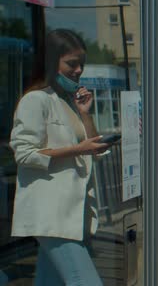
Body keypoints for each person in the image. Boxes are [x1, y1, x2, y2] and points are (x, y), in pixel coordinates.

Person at [10, 29, 109, 285]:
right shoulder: (36, 100)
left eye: (81, 65)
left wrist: (85, 113)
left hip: (71, 214)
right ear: (52, 61)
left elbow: (94, 148)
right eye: (71, 64)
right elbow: (24, 153)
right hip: (52, 214)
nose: (78, 70)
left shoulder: (66, 102)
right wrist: (78, 150)